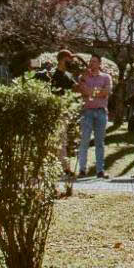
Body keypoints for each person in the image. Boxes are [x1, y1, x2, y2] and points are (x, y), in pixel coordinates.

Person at [76, 54, 113, 180]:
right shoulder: (83, 77)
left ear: (99, 63)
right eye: (90, 61)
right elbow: (83, 91)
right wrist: (97, 91)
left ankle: (100, 170)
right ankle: (82, 170)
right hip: (87, 112)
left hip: (101, 112)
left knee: (99, 142)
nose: (91, 64)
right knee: (84, 141)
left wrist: (91, 91)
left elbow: (106, 92)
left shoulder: (106, 77)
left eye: (94, 61)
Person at [49, 49, 79, 178]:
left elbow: (76, 87)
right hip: (54, 111)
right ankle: (61, 168)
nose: (71, 61)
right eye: (69, 59)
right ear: (62, 59)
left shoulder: (68, 76)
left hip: (64, 112)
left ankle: (63, 167)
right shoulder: (52, 75)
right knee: (56, 140)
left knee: (62, 140)